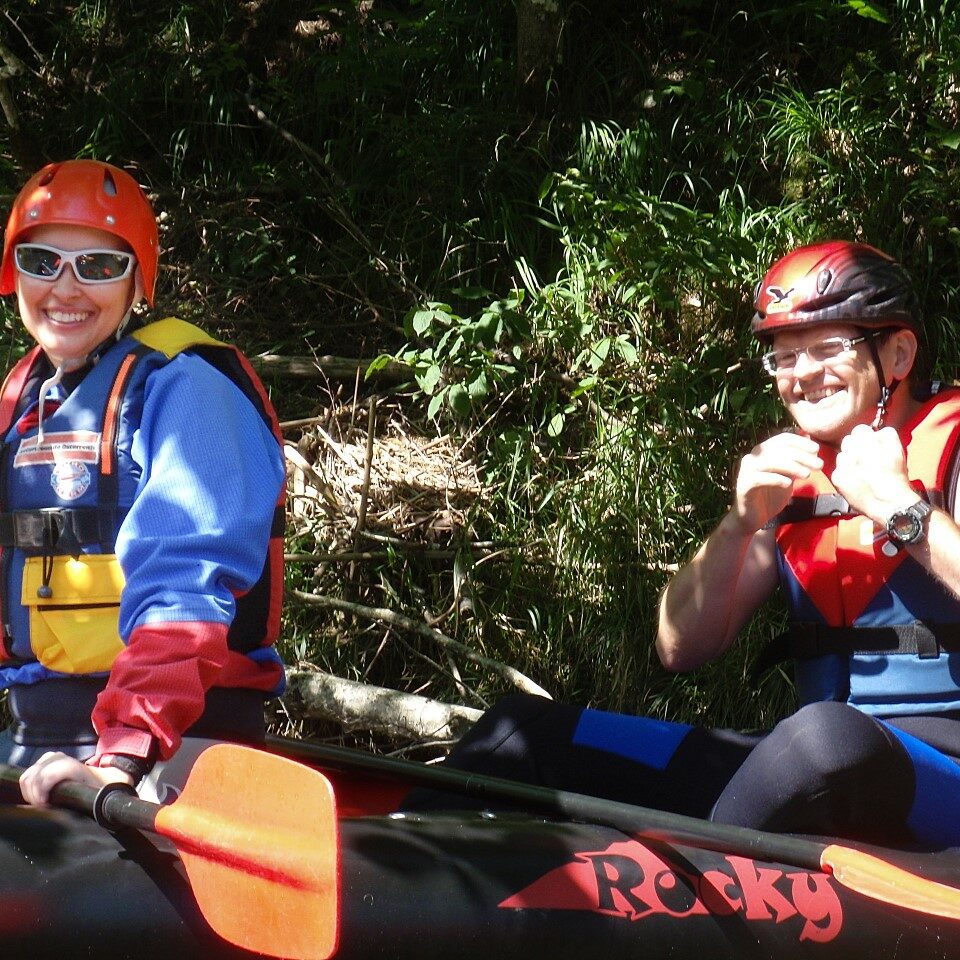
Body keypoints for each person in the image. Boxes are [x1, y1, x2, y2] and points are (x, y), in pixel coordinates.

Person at [414, 240, 960, 848]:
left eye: (826, 349)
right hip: (811, 761)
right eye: (783, 357)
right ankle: (388, 858)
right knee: (520, 732)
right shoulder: (795, 481)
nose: (801, 375)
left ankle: (679, 895)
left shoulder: (951, 444)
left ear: (899, 352)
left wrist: (898, 506)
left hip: (936, 773)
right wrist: (738, 524)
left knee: (823, 739)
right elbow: (680, 647)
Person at [0, 159, 286, 805]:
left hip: (164, 743)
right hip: (40, 731)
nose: (65, 289)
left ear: (137, 284)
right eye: (42, 262)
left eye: (99, 267)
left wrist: (122, 752)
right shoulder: (26, 401)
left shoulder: (186, 392)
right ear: (13, 273)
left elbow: (185, 586)